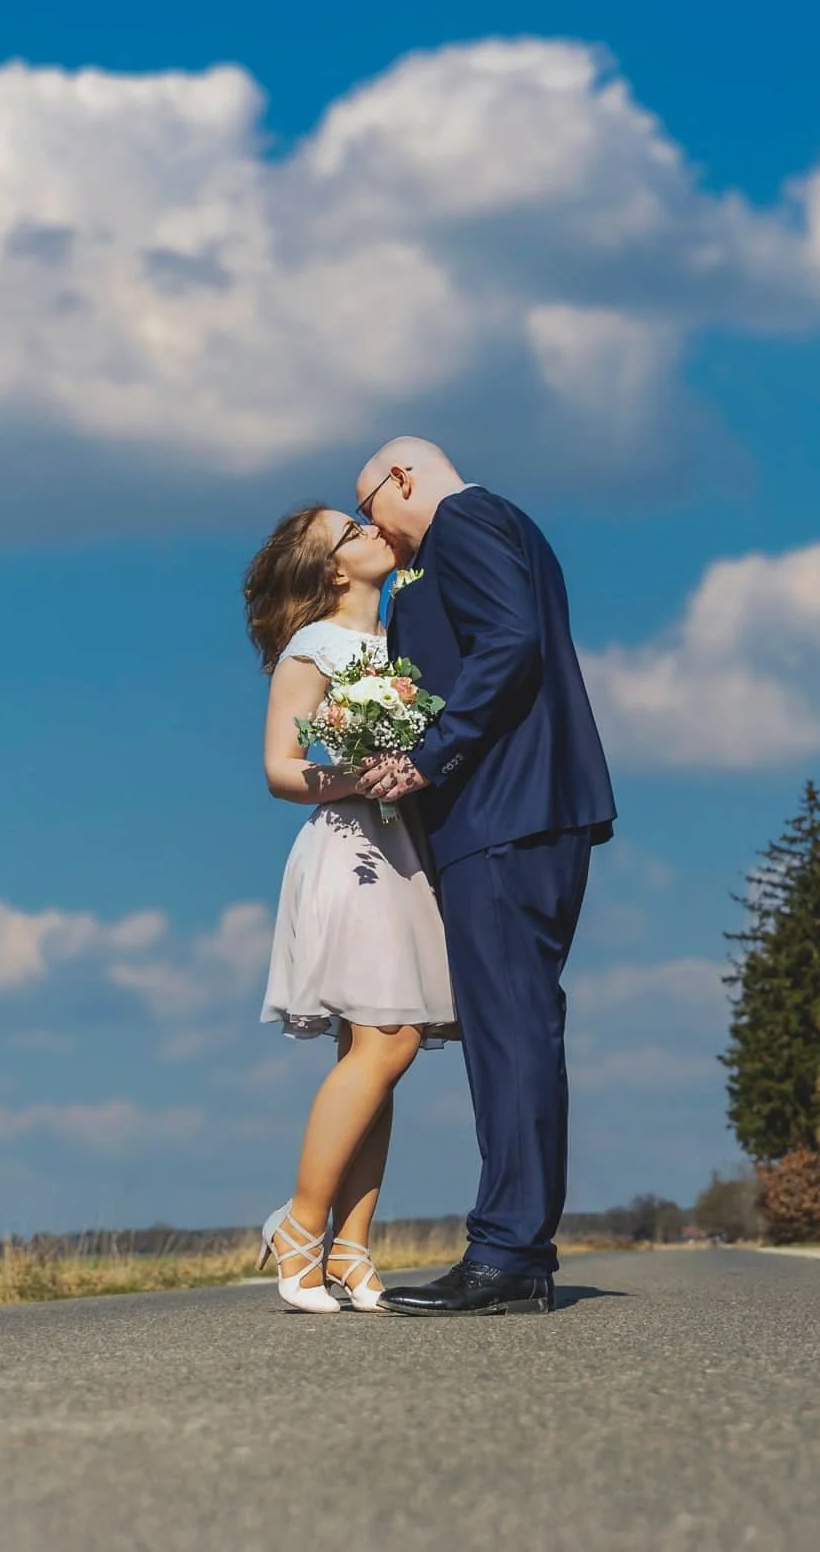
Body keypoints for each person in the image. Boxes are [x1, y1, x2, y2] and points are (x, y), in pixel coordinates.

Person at [351, 436, 616, 1316]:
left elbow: (510, 640)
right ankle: (517, 1247)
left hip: (503, 812)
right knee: (517, 1026)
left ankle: (507, 1250)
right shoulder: (512, 525)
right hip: (526, 811)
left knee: (511, 1030)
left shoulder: (463, 521)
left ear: (402, 478)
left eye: (368, 505)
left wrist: (428, 754)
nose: (371, 528)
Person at [241, 504, 455, 1313]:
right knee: (389, 1040)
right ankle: (298, 1226)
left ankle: (352, 1247)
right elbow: (279, 768)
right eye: (351, 531)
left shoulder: (401, 635)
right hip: (351, 850)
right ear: (334, 570)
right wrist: (362, 777)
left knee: (381, 1051)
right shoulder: (313, 647)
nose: (371, 529)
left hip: (405, 851)